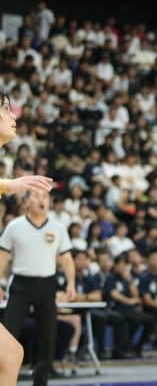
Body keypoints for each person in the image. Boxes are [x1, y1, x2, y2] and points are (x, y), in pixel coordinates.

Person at [0, 93, 55, 386]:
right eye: (6, 110)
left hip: (45, 285)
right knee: (10, 354)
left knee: (10, 354)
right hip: (22, 284)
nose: (14, 117)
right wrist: (10, 185)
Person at [0, 189, 74, 386]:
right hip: (21, 285)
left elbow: (66, 258)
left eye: (45, 197)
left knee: (47, 338)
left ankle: (40, 383)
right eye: (37, 196)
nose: (42, 200)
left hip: (47, 284)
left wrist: (71, 283)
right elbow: (3, 256)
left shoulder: (58, 228)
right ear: (26, 202)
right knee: (8, 334)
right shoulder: (15, 226)